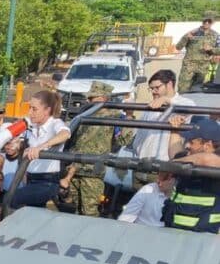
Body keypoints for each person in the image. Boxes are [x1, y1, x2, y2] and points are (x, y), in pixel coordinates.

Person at [63, 81, 118, 217]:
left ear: (103, 99)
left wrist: (129, 118)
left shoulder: (114, 116)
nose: (89, 100)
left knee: (90, 212)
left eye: (92, 98)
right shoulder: (84, 113)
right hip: (74, 168)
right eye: (89, 98)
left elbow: (123, 140)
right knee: (73, 210)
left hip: (93, 172)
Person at [11, 90, 71, 208]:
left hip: (48, 181)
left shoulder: (55, 123)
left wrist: (42, 147)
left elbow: (65, 134)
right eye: (30, 108)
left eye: (34, 109)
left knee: (13, 198)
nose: (30, 112)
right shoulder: (33, 127)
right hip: (31, 179)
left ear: (47, 110)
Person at [161, 116, 220, 233]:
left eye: (192, 142)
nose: (187, 145)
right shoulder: (189, 159)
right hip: (174, 230)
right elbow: (175, 154)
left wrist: (169, 165)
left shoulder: (215, 162)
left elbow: (207, 159)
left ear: (207, 145)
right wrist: (174, 130)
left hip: (204, 236)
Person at [131, 69, 196, 165]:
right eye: (151, 89)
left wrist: (166, 100)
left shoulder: (183, 102)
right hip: (140, 163)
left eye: (157, 87)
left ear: (169, 84)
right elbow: (140, 134)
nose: (153, 91)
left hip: (163, 166)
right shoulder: (151, 106)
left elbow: (189, 107)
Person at [175, 12, 219, 93]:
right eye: (205, 21)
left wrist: (211, 49)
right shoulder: (193, 32)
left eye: (209, 21)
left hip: (203, 68)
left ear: (213, 22)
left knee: (197, 92)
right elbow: (178, 47)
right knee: (182, 90)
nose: (206, 23)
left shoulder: (215, 35)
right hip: (188, 67)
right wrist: (186, 38)